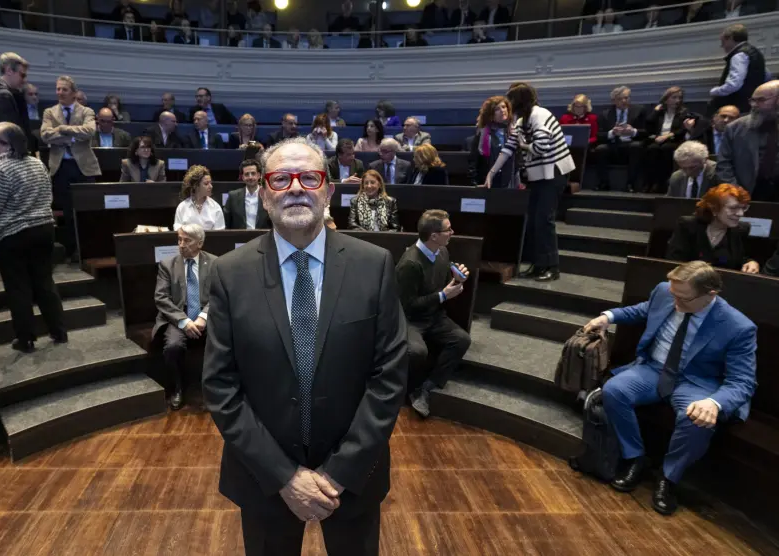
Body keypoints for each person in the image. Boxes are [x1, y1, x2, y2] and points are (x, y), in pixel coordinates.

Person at [202, 137, 408, 555]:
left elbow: (389, 378)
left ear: (328, 191)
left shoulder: (374, 265)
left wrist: (338, 473)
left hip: (353, 480)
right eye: (280, 179)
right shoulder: (229, 274)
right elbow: (221, 387)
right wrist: (284, 477)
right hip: (264, 480)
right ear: (264, 195)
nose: (295, 187)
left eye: (309, 177)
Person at [584, 260, 756, 516]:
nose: (675, 302)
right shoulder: (668, 291)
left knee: (696, 419)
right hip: (655, 368)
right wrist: (608, 316)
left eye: (683, 299)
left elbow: (743, 381)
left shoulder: (738, 327)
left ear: (711, 294)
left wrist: (715, 402)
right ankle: (635, 457)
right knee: (615, 390)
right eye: (673, 294)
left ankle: (668, 477)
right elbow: (645, 309)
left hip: (697, 381)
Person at [0, 122, 66, 353]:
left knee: (18, 287)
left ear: (7, 144)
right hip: (43, 229)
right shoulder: (37, 163)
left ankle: (25, 339)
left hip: (13, 235)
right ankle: (58, 331)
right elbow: (48, 197)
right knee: (44, 282)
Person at [484, 83, 575, 282]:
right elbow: (509, 148)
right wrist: (491, 173)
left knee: (544, 220)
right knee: (533, 221)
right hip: (539, 176)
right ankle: (538, 264)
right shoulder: (521, 120)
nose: (509, 105)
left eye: (511, 101)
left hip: (553, 173)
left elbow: (541, 147)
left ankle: (552, 267)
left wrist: (523, 145)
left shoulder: (539, 115)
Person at [397, 209, 472, 417]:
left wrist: (457, 280)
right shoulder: (410, 264)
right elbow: (407, 305)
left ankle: (427, 387)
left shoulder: (442, 251)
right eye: (448, 229)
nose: (452, 232)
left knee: (461, 340)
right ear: (434, 236)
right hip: (410, 319)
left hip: (434, 316)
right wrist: (443, 295)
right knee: (417, 352)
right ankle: (409, 388)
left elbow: (441, 285)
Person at [153, 223, 216, 410]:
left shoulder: (215, 263)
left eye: (187, 241)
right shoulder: (168, 265)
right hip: (178, 317)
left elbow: (219, 294)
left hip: (207, 316)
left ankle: (212, 388)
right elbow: (161, 298)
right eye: (179, 240)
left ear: (200, 243)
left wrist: (203, 317)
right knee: (173, 346)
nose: (181, 245)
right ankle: (177, 388)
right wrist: (184, 321)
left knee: (222, 342)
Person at [40, 75, 100, 263]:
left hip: (83, 168)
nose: (60, 92)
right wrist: (73, 136)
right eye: (58, 89)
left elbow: (89, 131)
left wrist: (63, 129)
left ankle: (88, 250)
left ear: (74, 92)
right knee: (67, 212)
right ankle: (71, 250)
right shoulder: (50, 112)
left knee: (86, 212)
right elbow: (45, 135)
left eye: (64, 89)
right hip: (61, 167)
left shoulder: (86, 111)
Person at [717, 80, 779, 203]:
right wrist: (736, 194)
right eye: (752, 100)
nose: (754, 105)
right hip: (747, 198)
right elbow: (724, 165)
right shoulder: (735, 128)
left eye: (761, 100)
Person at [667, 184, 759, 273]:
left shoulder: (741, 230)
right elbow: (673, 262)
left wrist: (751, 262)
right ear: (714, 209)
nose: (740, 213)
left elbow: (741, 259)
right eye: (733, 208)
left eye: (743, 208)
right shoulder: (688, 225)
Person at [0, 52, 31, 164]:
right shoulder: (3, 96)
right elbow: (8, 137)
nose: (24, 80)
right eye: (22, 75)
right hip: (7, 162)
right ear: (9, 70)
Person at [594, 85, 647, 192]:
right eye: (620, 99)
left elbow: (647, 132)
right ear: (613, 101)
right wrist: (612, 133)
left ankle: (630, 184)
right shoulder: (605, 114)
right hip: (613, 144)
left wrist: (633, 131)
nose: (624, 101)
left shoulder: (639, 111)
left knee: (636, 147)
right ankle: (604, 183)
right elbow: (599, 135)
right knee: (600, 149)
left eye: (626, 98)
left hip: (631, 142)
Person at [709, 24, 769, 116]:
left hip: (738, 105)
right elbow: (767, 75)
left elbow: (734, 84)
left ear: (731, 38)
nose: (722, 46)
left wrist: (715, 91)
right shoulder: (755, 53)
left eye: (723, 42)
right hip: (750, 104)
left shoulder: (739, 55)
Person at [644, 86, 691, 193]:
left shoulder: (684, 112)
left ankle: (664, 183)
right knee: (652, 149)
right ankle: (650, 182)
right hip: (658, 140)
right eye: (674, 97)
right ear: (666, 99)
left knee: (666, 149)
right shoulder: (660, 112)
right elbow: (648, 125)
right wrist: (655, 111)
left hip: (674, 140)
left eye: (679, 98)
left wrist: (668, 136)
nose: (677, 100)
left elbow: (682, 130)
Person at [468, 95, 518, 188]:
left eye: (503, 107)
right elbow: (473, 161)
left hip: (512, 181)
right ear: (490, 114)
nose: (502, 110)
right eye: (497, 109)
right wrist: (475, 184)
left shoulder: (515, 130)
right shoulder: (482, 133)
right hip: (489, 183)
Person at [224, 158, 270, 229]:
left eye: (253, 173)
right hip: (240, 236)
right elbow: (226, 223)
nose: (250, 177)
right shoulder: (233, 196)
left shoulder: (267, 195)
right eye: (247, 174)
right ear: (242, 177)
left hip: (263, 235)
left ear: (259, 175)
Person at [174, 165, 225, 230]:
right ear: (195, 186)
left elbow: (220, 234)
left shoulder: (215, 207)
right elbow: (178, 231)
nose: (211, 186)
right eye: (206, 184)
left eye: (210, 183)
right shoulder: (182, 207)